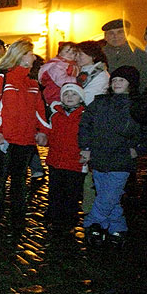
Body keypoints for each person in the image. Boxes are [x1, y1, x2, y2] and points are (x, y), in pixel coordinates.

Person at [79, 66, 147, 247]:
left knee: (109, 195)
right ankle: (117, 227)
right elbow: (86, 124)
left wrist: (139, 149)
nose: (117, 83)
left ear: (130, 84)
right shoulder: (100, 103)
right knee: (108, 195)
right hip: (100, 157)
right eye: (115, 80)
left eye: (121, 80)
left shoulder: (138, 106)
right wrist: (85, 147)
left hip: (121, 158)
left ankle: (93, 223)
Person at [0, 38, 49, 227]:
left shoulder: (32, 82)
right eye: (30, 53)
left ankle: (18, 217)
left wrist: (44, 131)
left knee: (20, 181)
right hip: (4, 139)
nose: (33, 56)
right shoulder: (0, 76)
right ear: (20, 56)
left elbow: (40, 108)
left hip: (26, 140)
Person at [45, 83, 86, 229]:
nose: (69, 97)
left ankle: (69, 220)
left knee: (72, 193)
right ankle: (54, 217)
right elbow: (50, 134)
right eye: (66, 94)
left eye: (74, 94)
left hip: (75, 162)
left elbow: (88, 137)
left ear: (80, 98)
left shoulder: (85, 116)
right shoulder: (56, 115)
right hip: (55, 160)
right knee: (55, 191)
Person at [101, 18, 147, 89]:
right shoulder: (98, 56)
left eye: (120, 32)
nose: (115, 36)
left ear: (127, 34)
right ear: (105, 36)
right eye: (111, 33)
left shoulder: (141, 56)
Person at [38, 42, 79, 106]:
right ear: (60, 52)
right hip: (55, 95)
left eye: (73, 53)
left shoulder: (72, 65)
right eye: (67, 51)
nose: (70, 54)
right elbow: (61, 80)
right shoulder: (57, 65)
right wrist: (77, 80)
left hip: (65, 94)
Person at [75, 41, 110, 105]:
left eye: (80, 54)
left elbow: (89, 97)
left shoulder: (100, 75)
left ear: (92, 55)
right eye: (76, 54)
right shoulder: (80, 70)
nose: (76, 57)